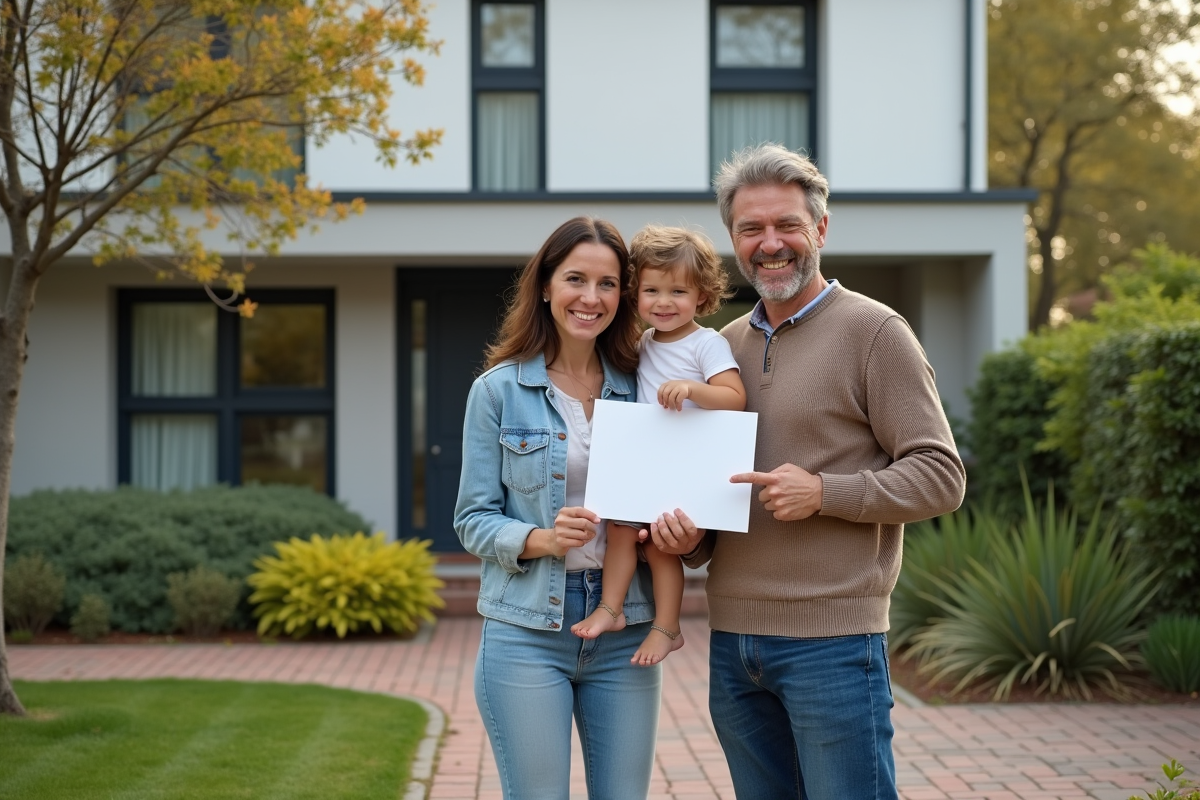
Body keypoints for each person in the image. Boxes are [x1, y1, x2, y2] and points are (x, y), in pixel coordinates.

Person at [645, 144, 967, 800]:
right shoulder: (719, 348)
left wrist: (823, 492)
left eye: (786, 225)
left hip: (834, 644)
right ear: (734, 241)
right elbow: (712, 489)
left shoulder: (876, 332)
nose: (770, 244)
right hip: (733, 644)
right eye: (751, 229)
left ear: (820, 229)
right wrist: (691, 540)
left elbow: (941, 476)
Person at [454, 216, 661, 800]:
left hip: (625, 625)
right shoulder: (497, 391)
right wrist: (541, 538)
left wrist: (676, 532)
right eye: (575, 279)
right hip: (526, 630)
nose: (590, 298)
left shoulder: (643, 387)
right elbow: (472, 519)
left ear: (623, 296)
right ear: (546, 286)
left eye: (607, 284)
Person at [571, 225, 746, 667]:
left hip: (683, 462)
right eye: (651, 290)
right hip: (646, 459)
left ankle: (667, 626)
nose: (663, 302)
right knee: (620, 532)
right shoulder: (644, 343)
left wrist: (692, 389)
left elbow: (735, 398)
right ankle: (611, 608)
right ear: (635, 295)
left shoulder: (707, 343)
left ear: (702, 296)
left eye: (678, 291)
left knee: (660, 545)